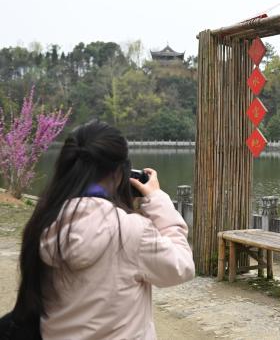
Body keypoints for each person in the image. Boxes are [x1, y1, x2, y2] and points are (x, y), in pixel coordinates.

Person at [8, 120, 195, 340]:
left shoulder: (44, 223)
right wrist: (157, 199)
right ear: (120, 173)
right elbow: (181, 267)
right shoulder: (129, 230)